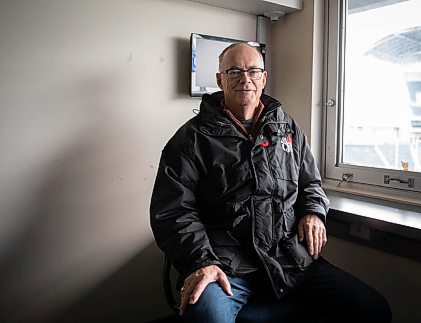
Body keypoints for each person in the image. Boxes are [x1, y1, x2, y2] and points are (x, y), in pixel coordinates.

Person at [150, 42, 391, 323]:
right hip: (225, 264)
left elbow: (310, 183)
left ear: (264, 78)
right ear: (219, 80)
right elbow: (173, 212)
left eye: (253, 70)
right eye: (235, 71)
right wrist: (202, 262)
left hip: (288, 259)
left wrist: (313, 211)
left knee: (372, 308)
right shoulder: (191, 139)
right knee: (206, 316)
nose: (245, 78)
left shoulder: (287, 129)